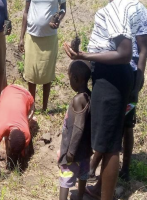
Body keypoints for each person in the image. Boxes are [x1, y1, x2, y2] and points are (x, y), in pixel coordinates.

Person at [63, 0, 144, 200]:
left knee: (109, 148)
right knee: (109, 143)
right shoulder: (131, 0)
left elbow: (122, 52)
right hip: (117, 79)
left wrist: (85, 56)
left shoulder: (118, 5)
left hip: (111, 80)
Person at [88, 0, 147, 186]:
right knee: (120, 126)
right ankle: (108, 169)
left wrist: (137, 82)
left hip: (125, 76)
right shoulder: (127, 8)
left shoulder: (135, 10)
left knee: (120, 127)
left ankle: (116, 169)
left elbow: (141, 50)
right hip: (124, 76)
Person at [19, 0, 66, 111]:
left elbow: (63, 8)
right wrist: (21, 37)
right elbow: (25, 12)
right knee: (31, 75)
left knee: (47, 74)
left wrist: (58, 19)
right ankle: (32, 107)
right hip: (32, 35)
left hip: (49, 37)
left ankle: (44, 108)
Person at [57, 60, 92, 200]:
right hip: (85, 150)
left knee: (65, 179)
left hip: (73, 151)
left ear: (76, 79)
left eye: (70, 77)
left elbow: (78, 127)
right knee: (83, 174)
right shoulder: (89, 95)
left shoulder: (78, 99)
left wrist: (71, 151)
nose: (69, 81)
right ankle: (80, 196)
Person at [0, 84, 34, 167]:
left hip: (24, 95)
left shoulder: (27, 136)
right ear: (8, 139)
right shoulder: (1, 128)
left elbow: (23, 154)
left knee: (29, 118)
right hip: (8, 91)